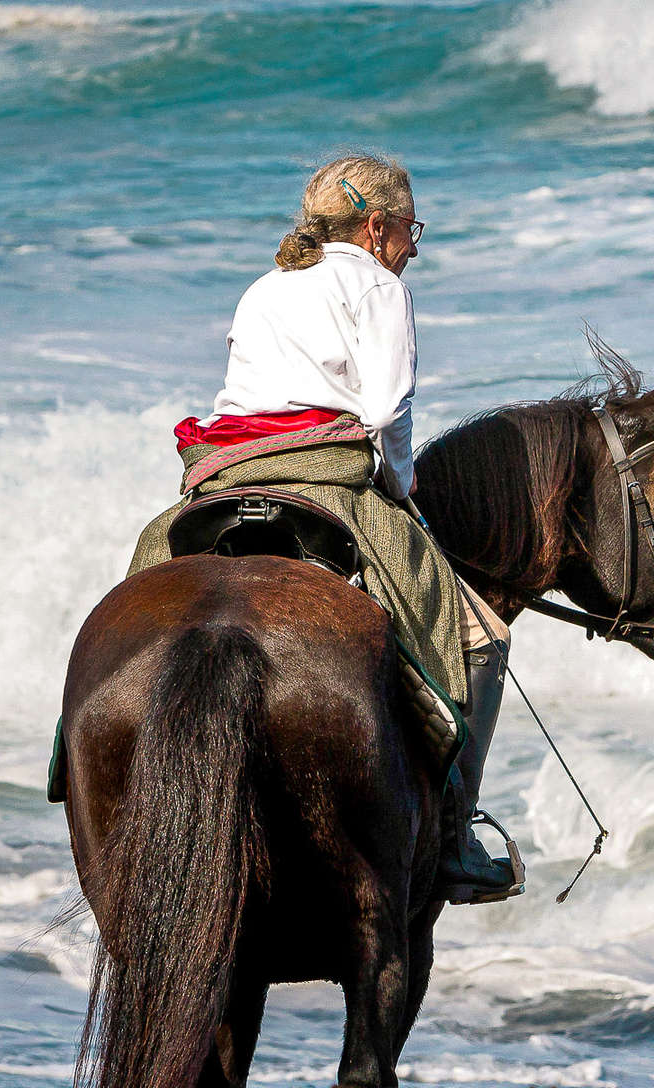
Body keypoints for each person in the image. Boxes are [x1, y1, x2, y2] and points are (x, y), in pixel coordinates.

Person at [174, 154, 520, 904]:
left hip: (227, 476)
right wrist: (403, 487)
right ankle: (455, 839)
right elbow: (388, 413)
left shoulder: (264, 288)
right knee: (481, 639)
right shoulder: (379, 286)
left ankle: (72, 759)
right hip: (326, 478)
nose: (414, 248)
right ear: (375, 227)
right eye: (409, 229)